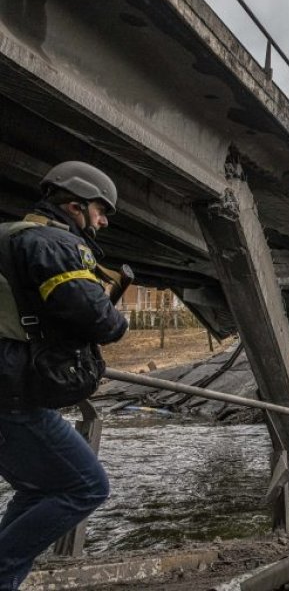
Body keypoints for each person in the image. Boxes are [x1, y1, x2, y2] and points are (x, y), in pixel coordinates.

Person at [0, 161, 128, 590]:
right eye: (100, 210)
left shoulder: (9, 236)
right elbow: (97, 318)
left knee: (38, 490)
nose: (103, 220)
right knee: (87, 486)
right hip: (12, 392)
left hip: (10, 388)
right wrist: (118, 319)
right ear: (75, 205)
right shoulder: (54, 243)